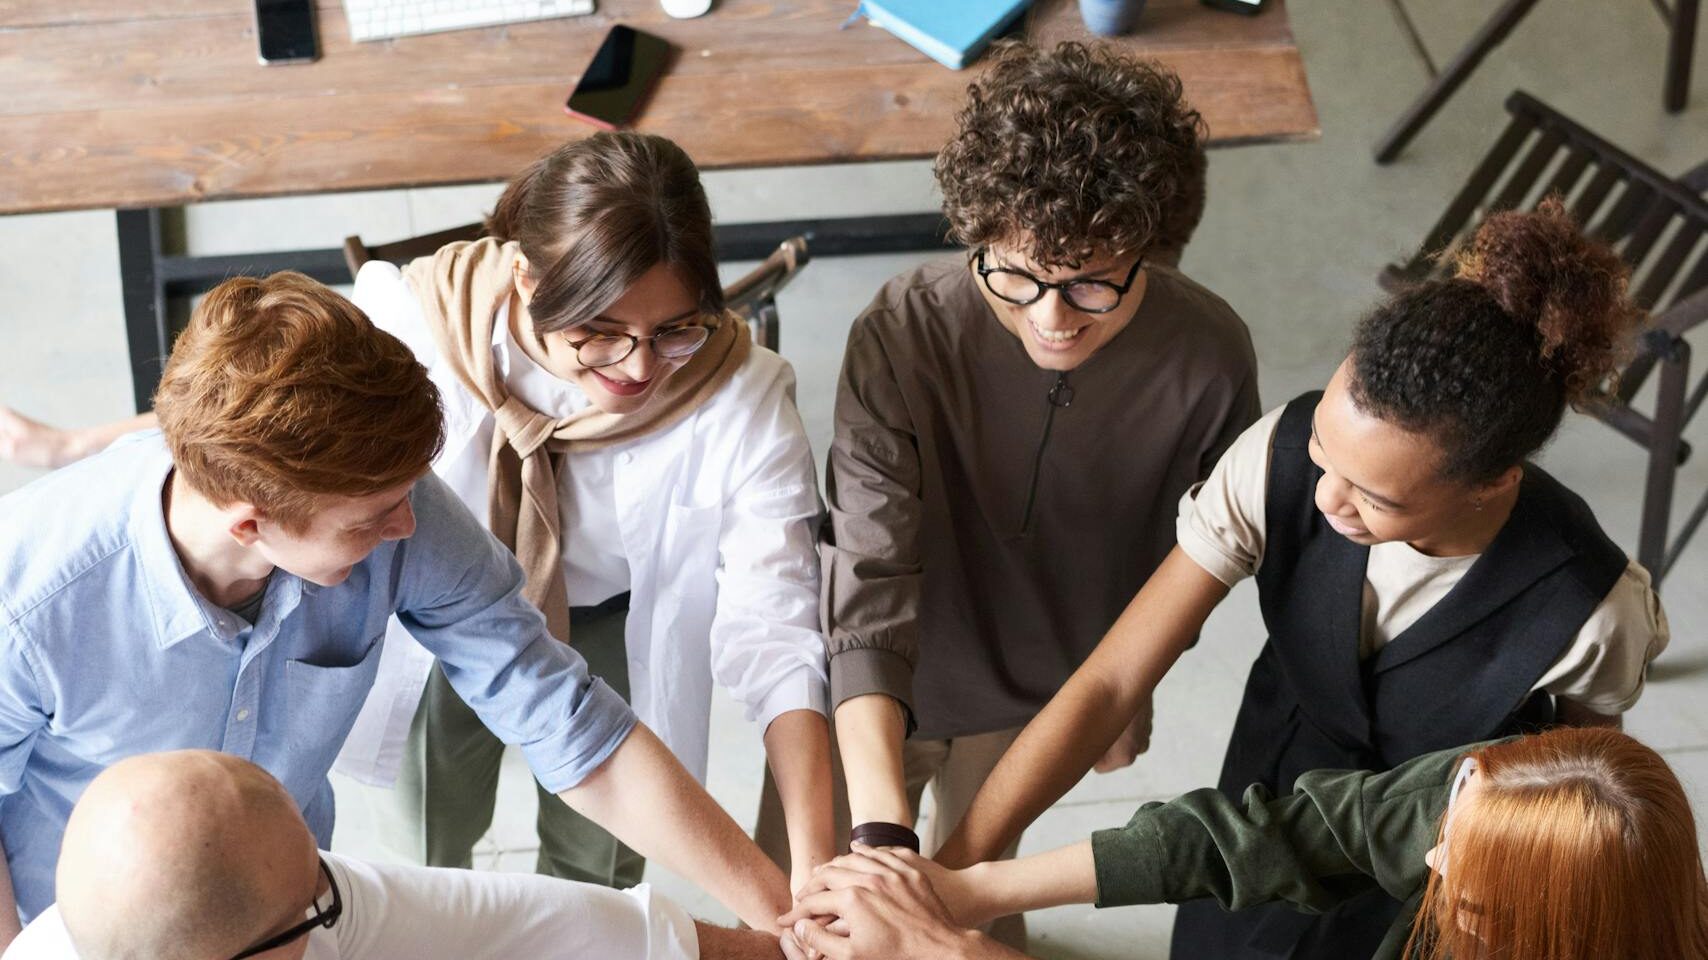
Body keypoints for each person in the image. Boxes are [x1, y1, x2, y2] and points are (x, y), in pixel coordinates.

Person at [0, 133, 838, 896]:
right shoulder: (31, 596)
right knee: (431, 820)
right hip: (66, 924)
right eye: (369, 521)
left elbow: (572, 716)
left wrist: (783, 906)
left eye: (674, 332)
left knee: (575, 879)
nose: (407, 530)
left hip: (284, 903)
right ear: (251, 524)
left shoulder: (396, 502)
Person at [931, 200, 1671, 960]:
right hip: (1264, 802)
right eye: (1324, 450)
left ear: (1492, 483)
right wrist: (948, 873)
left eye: (1375, 497)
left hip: (1436, 877)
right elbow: (1112, 681)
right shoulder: (1277, 457)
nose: (1324, 499)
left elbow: (1574, 802)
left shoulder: (1593, 610)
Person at [803, 40, 1258, 946]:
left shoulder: (1209, 358)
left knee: (978, 914)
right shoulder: (901, 332)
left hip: (1046, 701)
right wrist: (883, 839)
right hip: (871, 683)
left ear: (1148, 243)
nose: (1050, 319)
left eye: (1092, 282)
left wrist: (1130, 694)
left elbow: (1192, 562)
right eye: (1012, 276)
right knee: (813, 907)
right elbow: (868, 569)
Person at [782, 727, 1708, 960]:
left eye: (1463, 894)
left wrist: (944, 947)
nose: (1428, 865)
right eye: (1441, 839)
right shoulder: (1487, 799)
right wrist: (977, 891)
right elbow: (1256, 838)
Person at [3, 750, 785, 960]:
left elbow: (528, 923)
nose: (332, 894)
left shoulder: (265, 903)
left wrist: (782, 948)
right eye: (310, 907)